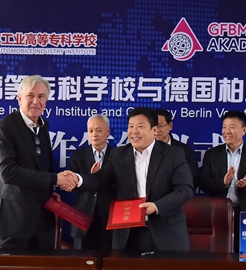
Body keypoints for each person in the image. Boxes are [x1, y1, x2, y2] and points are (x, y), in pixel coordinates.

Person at [66, 107, 194, 254]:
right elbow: (100, 179)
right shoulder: (119, 155)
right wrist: (78, 179)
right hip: (129, 232)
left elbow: (185, 189)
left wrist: (156, 206)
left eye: (140, 126)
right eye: (131, 127)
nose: (134, 131)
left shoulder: (173, 154)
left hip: (166, 231)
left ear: (154, 130)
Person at [0, 75, 76, 252]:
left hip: (43, 219)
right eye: (30, 95)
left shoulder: (44, 126)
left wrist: (50, 190)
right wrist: (55, 179)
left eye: (41, 96)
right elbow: (8, 173)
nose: (36, 101)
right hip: (15, 220)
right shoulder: (4, 128)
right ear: (19, 98)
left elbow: (42, 165)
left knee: (44, 269)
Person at [199, 110, 246, 250]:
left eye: (232, 127)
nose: (227, 131)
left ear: (244, 130)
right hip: (218, 213)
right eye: (224, 127)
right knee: (218, 254)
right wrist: (223, 182)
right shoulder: (212, 154)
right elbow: (204, 183)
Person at [69, 115, 114, 254]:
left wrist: (100, 177)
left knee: (109, 258)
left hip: (109, 215)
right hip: (83, 214)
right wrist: (90, 177)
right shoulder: (78, 155)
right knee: (82, 259)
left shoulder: (117, 155)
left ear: (108, 131)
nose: (94, 134)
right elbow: (73, 187)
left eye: (99, 130)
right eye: (91, 130)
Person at [154, 109, 199, 188]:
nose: (156, 130)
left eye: (160, 126)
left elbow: (193, 179)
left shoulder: (185, 151)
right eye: (153, 126)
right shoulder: (142, 149)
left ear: (170, 126)